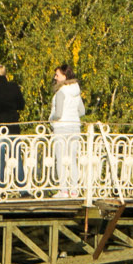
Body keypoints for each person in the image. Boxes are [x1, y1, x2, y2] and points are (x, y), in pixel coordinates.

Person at [47, 63, 85, 199]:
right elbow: (82, 111)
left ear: (64, 76)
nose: (55, 77)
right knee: (73, 160)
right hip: (75, 127)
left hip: (61, 128)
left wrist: (50, 119)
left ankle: (63, 190)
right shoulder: (76, 92)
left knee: (61, 159)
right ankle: (74, 190)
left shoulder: (61, 92)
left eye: (57, 75)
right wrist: (72, 117)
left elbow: (58, 113)